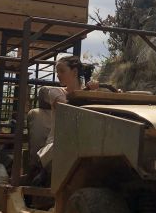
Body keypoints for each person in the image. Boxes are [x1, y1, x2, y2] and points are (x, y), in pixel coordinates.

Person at [24, 56, 100, 189]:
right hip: (58, 142)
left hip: (83, 140)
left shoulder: (91, 93)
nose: (58, 75)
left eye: (62, 71)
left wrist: (94, 92)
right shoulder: (55, 92)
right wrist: (88, 92)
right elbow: (67, 107)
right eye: (57, 71)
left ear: (74, 72)